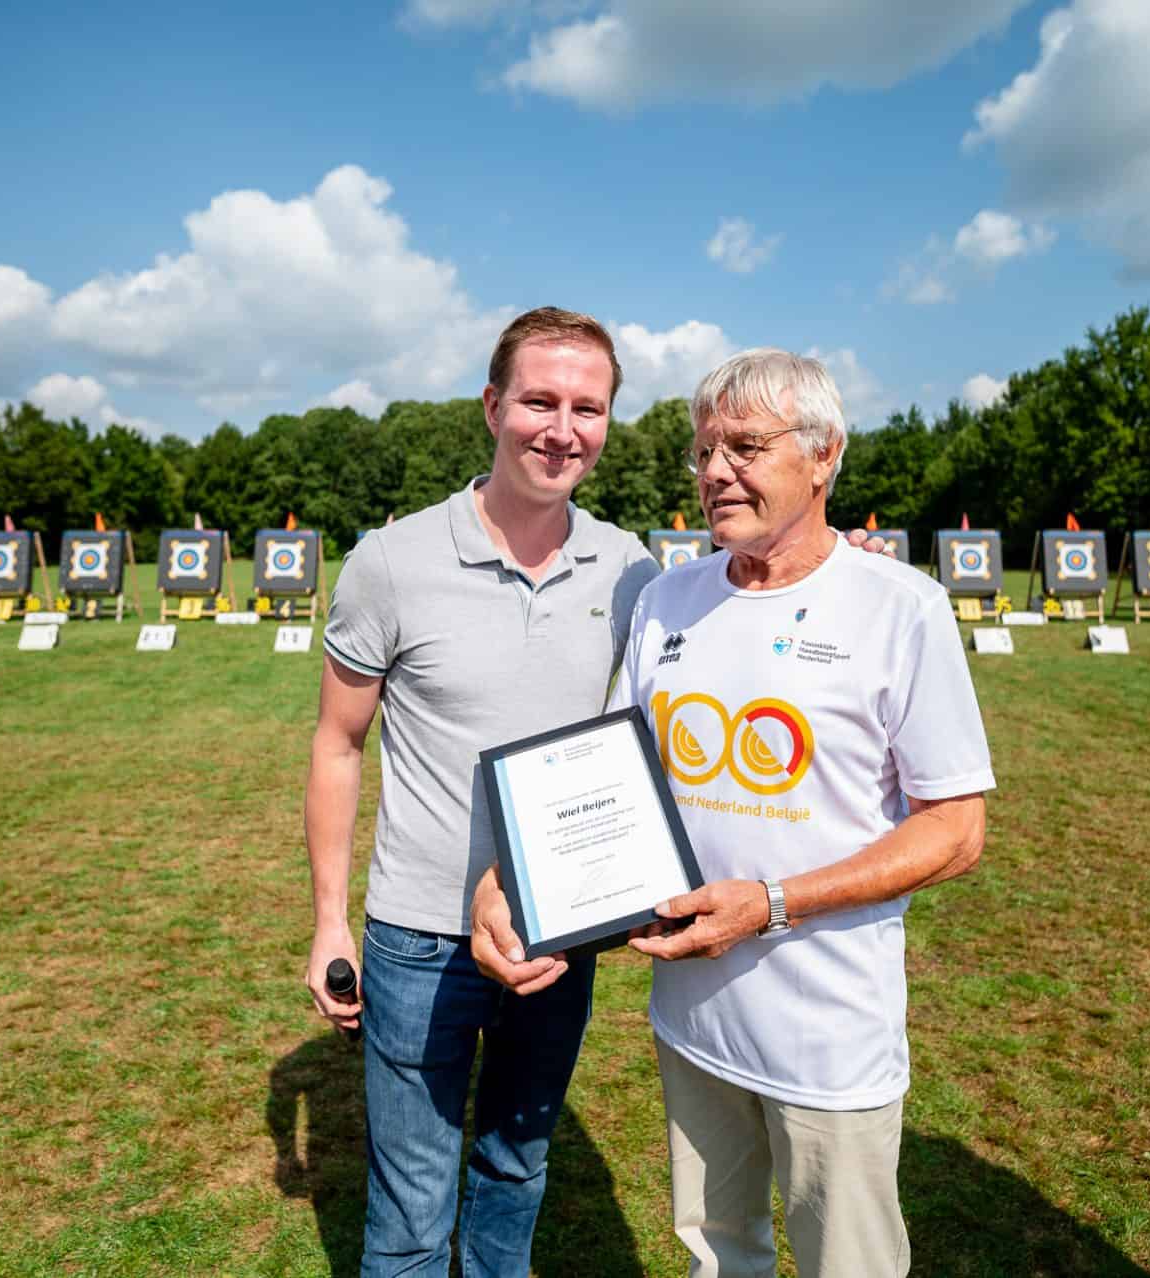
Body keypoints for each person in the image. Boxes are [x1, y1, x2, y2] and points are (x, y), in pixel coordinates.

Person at [472, 349, 994, 1278]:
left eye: (745, 447)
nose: (716, 471)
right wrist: (514, 879)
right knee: (718, 1259)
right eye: (704, 450)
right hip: (693, 1024)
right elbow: (605, 772)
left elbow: (955, 830)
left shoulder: (900, 607)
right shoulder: (670, 600)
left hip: (828, 1039)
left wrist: (773, 902)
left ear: (825, 455)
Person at [303, 307, 660, 1277]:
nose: (562, 428)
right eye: (539, 400)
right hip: (419, 938)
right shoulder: (393, 560)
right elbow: (338, 745)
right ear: (493, 405)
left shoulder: (634, 570)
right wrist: (331, 923)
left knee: (516, 1172)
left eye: (588, 407)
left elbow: (648, 743)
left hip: (558, 931)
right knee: (412, 1216)